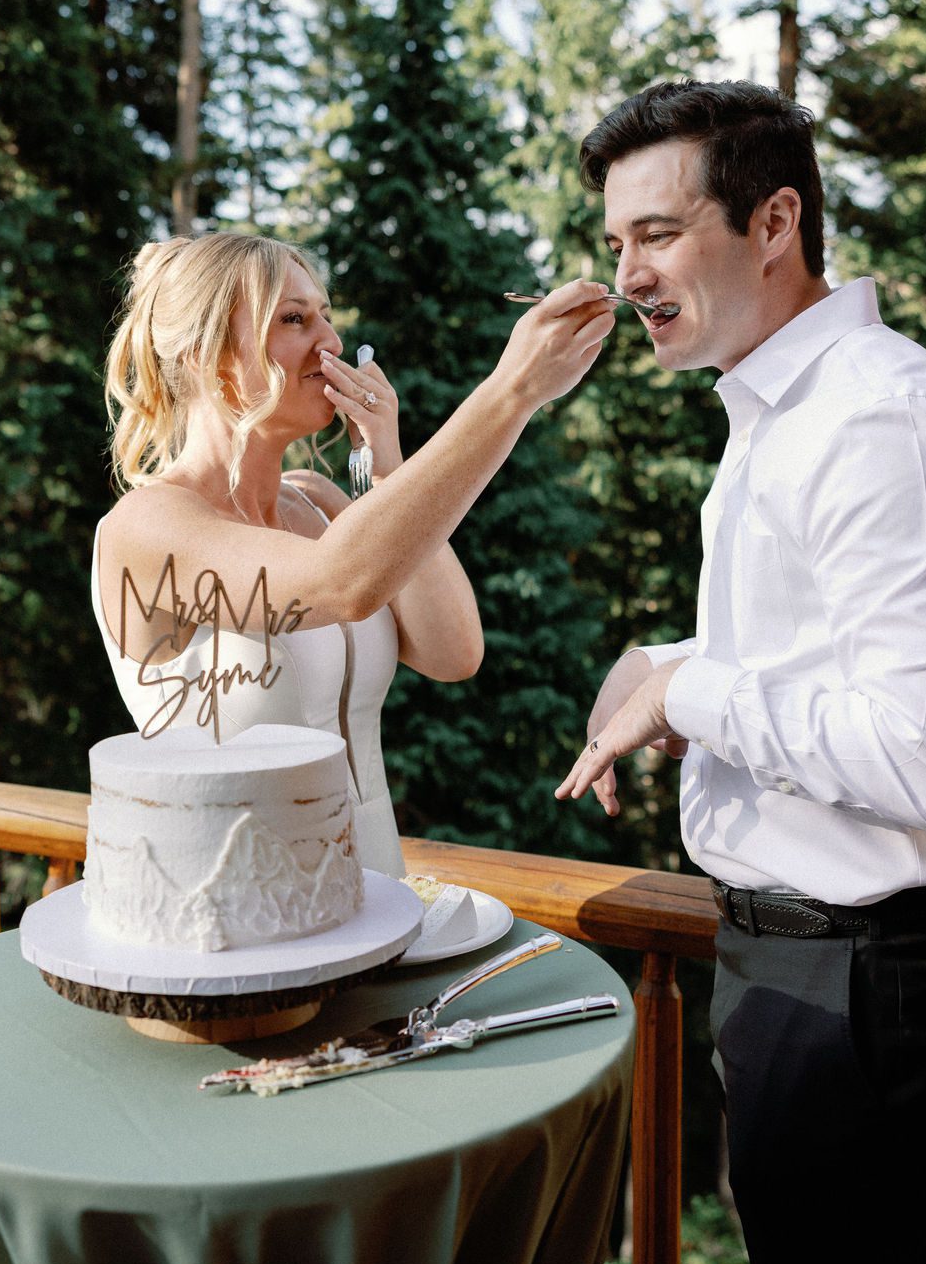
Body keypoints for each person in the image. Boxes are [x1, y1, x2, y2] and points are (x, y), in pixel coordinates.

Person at [553, 81, 926, 1264]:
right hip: (808, 980)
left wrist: (688, 696)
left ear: (773, 225)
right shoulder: (783, 411)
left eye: (657, 234)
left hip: (869, 997)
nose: (626, 278)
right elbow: (821, 652)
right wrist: (662, 666)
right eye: (614, 244)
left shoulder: (878, 419)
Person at [95, 231, 615, 876]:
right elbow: (341, 583)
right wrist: (511, 393)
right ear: (206, 353)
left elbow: (454, 652)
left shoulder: (318, 501)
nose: (331, 344)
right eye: (294, 319)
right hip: (233, 905)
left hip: (374, 886)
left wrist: (386, 458)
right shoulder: (148, 525)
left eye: (327, 317)